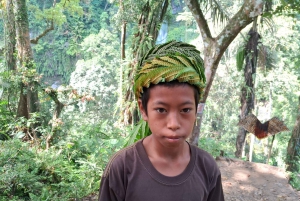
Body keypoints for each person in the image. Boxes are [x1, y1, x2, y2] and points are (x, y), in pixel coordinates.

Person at [98, 41, 224, 201]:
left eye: (185, 110)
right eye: (161, 110)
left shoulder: (207, 167)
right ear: (143, 109)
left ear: (196, 109)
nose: (173, 124)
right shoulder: (122, 168)